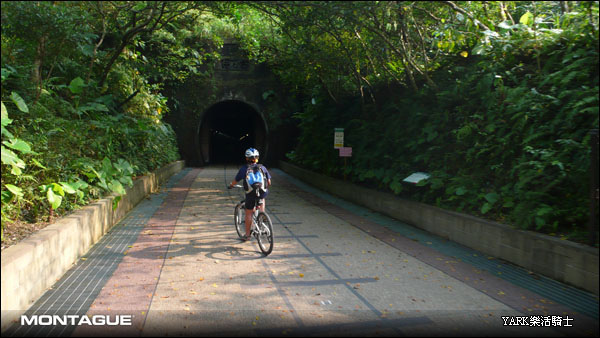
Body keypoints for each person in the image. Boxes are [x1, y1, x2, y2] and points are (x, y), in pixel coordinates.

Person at [228, 148, 272, 241]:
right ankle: (262, 214)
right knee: (262, 198)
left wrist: (231, 185)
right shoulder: (262, 168)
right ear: (257, 158)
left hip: (251, 193)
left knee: (249, 213)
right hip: (262, 192)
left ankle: (247, 235)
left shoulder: (244, 169)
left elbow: (235, 181)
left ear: (247, 158)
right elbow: (269, 182)